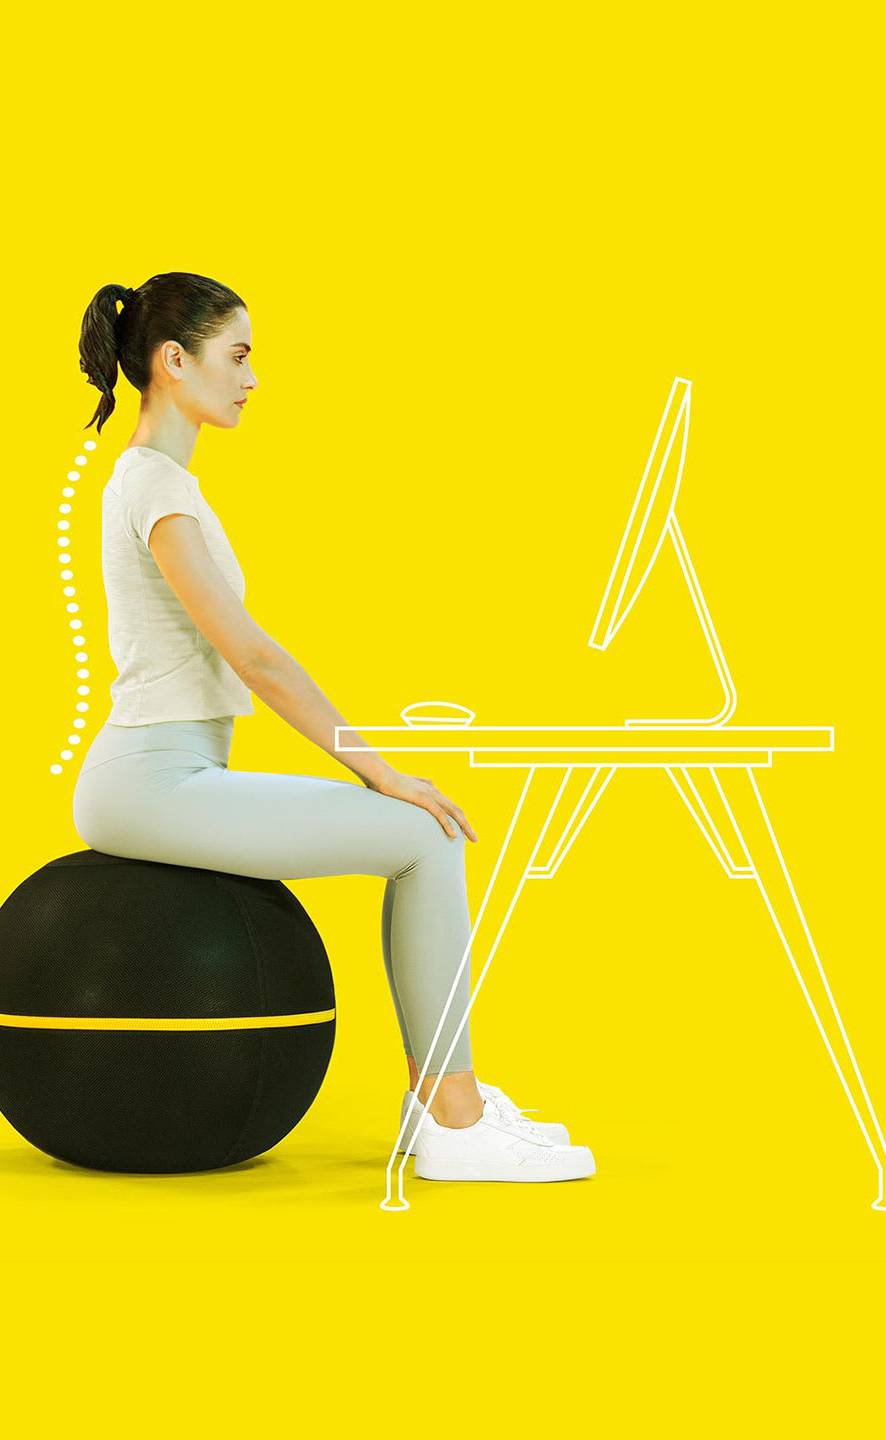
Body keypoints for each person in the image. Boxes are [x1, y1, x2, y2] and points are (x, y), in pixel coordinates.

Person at [71, 270, 595, 1185]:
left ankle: (444, 1103)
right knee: (423, 837)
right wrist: (380, 770)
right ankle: (452, 1117)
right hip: (149, 780)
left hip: (163, 773)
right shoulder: (156, 488)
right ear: (172, 361)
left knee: (420, 838)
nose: (251, 377)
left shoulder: (154, 481)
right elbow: (255, 657)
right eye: (236, 356)